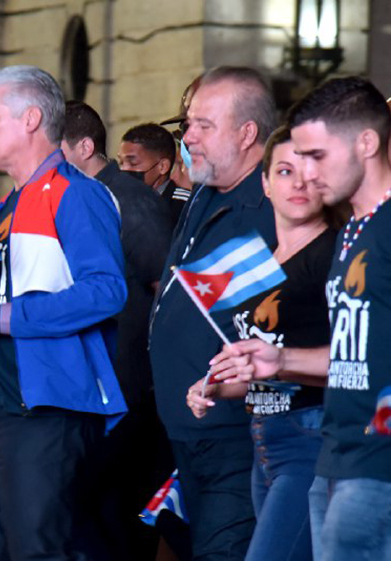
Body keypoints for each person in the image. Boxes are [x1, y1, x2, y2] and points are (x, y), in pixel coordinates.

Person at [0, 65, 128, 560]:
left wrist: (2, 318)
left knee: (36, 550)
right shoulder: (4, 206)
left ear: (30, 119)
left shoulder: (77, 193)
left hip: (45, 410)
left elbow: (108, 291)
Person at [210, 77, 391, 561]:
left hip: (362, 457)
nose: (307, 176)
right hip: (333, 452)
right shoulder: (356, 231)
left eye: (316, 157)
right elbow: (356, 351)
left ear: (367, 144)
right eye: (294, 163)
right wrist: (276, 360)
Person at [186, 126, 337, 561]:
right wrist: (216, 384)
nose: (300, 183)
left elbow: (364, 355)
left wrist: (281, 361)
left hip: (313, 436)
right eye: (285, 171)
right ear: (266, 183)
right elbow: (262, 369)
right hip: (263, 442)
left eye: (312, 170)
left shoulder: (333, 256)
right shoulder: (262, 263)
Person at [149, 65, 278, 559]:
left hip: (238, 433)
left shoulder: (273, 202)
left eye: (204, 125)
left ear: (247, 133)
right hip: (186, 431)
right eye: (189, 124)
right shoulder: (204, 190)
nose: (189, 137)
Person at [62, 100, 181, 560]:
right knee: (97, 509)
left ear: (84, 147)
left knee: (108, 511)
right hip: (87, 384)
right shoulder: (71, 195)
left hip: (127, 385)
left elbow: (166, 288)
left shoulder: (128, 200)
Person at [117, 123, 190, 224]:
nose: (124, 169)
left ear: (163, 166)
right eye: (121, 162)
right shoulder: (117, 203)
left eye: (133, 163)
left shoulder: (185, 206)